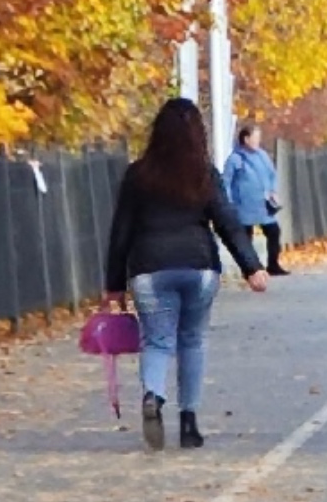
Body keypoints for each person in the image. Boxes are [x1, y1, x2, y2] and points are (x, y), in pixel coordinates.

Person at [105, 97, 269, 450]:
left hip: (149, 269)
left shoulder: (138, 175)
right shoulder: (204, 174)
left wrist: (114, 284)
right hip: (198, 267)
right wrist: (251, 266)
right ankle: (189, 422)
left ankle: (153, 395)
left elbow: (121, 231)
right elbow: (227, 221)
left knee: (157, 341)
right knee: (192, 340)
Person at [222, 124, 288, 275]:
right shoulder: (235, 159)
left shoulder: (262, 155)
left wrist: (273, 191)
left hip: (263, 204)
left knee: (273, 231)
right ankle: (251, 268)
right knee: (246, 238)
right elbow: (226, 182)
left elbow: (271, 174)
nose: (258, 141)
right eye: (255, 137)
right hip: (243, 206)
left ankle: (273, 264)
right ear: (246, 139)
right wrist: (229, 203)